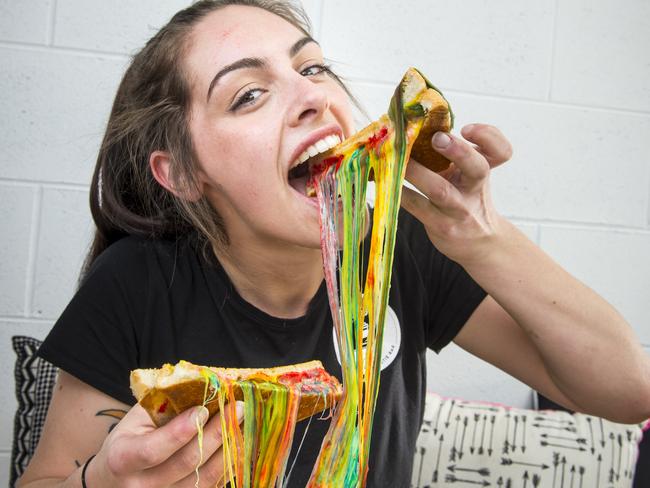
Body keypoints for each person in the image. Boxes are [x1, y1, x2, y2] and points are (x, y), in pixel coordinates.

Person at [17, 1, 650, 487]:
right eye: (249, 95)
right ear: (182, 173)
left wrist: (481, 236)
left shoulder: (405, 248)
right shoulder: (141, 280)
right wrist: (101, 479)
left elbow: (627, 391)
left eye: (312, 66)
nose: (312, 97)